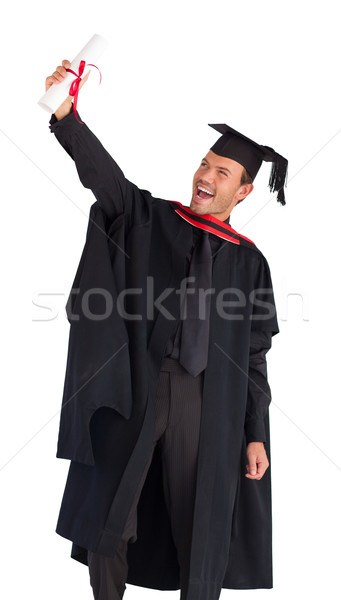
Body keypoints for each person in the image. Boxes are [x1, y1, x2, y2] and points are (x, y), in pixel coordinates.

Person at [45, 60, 287, 600]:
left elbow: (253, 357)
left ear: (242, 192)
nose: (205, 176)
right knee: (112, 511)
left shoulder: (250, 265)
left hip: (209, 402)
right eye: (205, 163)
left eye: (223, 172)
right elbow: (106, 181)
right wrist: (66, 116)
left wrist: (255, 434)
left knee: (202, 523)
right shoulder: (152, 220)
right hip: (140, 387)